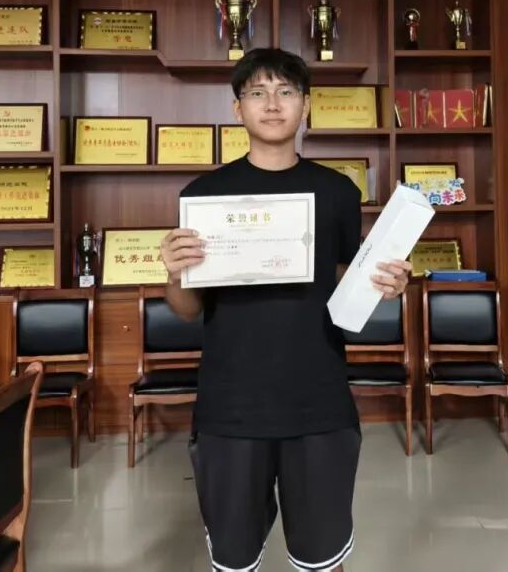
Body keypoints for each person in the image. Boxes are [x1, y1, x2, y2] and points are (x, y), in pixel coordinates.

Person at [160, 47, 412, 572]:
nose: (272, 104)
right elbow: (185, 309)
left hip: (318, 400)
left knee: (322, 556)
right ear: (238, 108)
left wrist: (385, 283)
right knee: (233, 558)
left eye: (286, 91)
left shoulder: (337, 192)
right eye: (257, 92)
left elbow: (347, 280)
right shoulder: (204, 196)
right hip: (231, 405)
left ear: (306, 105)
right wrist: (175, 271)